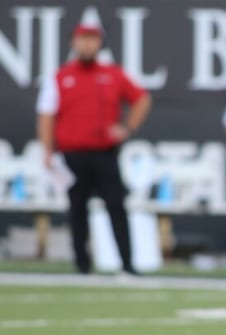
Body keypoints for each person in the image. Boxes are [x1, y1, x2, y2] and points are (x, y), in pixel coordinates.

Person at [36, 24, 151, 274]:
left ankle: (127, 264)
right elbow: (46, 115)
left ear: (99, 43)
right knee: (77, 209)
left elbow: (141, 98)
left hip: (104, 153)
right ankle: (82, 264)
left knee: (116, 206)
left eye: (92, 39)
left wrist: (127, 128)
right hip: (72, 154)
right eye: (83, 39)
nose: (87, 45)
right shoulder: (61, 77)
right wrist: (47, 150)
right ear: (73, 43)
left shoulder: (112, 74)